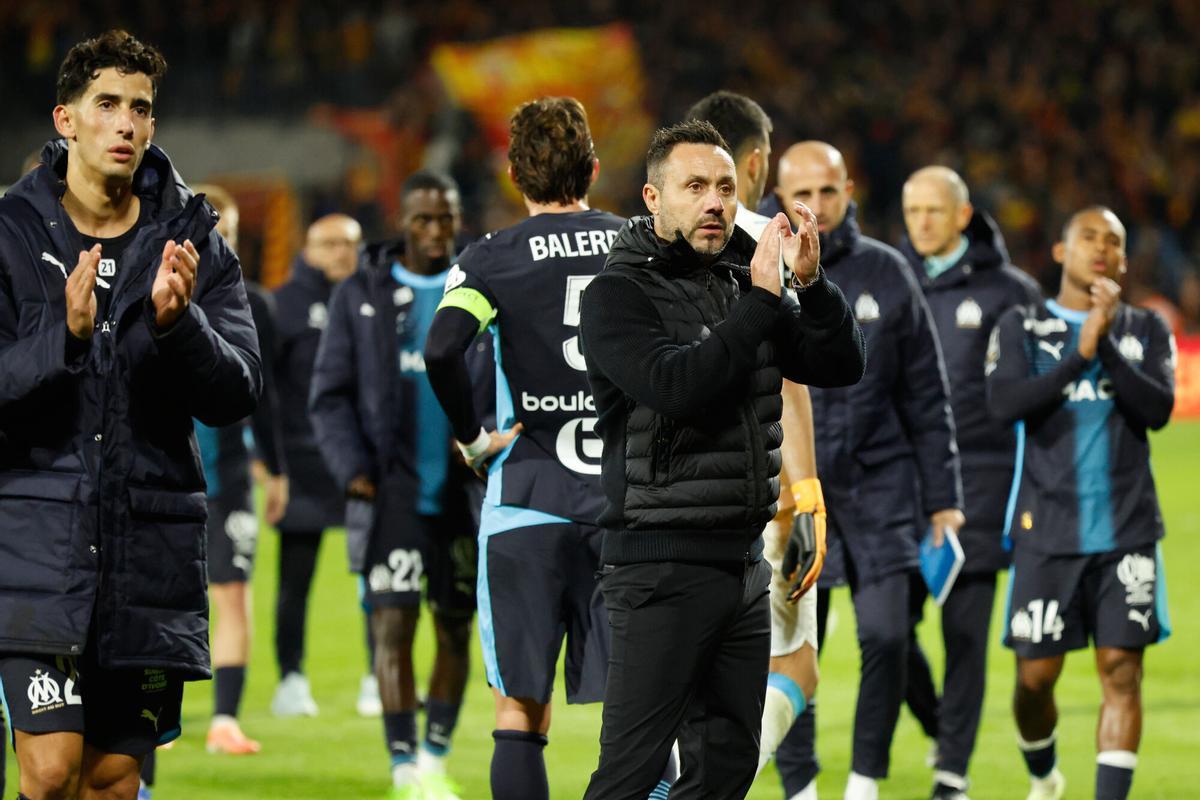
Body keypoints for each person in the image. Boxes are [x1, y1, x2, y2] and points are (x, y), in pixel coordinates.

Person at [0, 29, 261, 800]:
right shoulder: (10, 234)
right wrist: (66, 338)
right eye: (107, 104)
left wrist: (183, 327)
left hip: (149, 552)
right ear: (66, 119)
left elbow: (239, 389)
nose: (125, 123)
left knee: (113, 783)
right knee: (50, 772)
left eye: (140, 108)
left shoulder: (194, 237)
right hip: (38, 549)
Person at [579, 120, 864, 799]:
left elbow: (840, 364)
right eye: (695, 186)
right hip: (659, 567)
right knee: (630, 776)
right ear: (653, 198)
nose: (715, 201)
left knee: (725, 772)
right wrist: (764, 300)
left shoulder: (743, 279)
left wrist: (812, 286)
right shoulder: (617, 294)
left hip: (741, 565)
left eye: (726, 187)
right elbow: (677, 387)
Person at [423, 96, 629, 800]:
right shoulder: (638, 245)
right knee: (642, 715)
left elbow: (441, 349)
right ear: (593, 169)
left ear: (513, 176)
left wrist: (472, 439)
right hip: (627, 509)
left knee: (518, 713)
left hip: (526, 504)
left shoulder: (491, 259)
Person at [768, 141, 963, 800]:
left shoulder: (887, 270)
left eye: (828, 191)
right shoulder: (757, 265)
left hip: (880, 487)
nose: (816, 205)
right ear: (780, 194)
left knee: (886, 635)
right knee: (794, 650)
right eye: (803, 194)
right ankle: (800, 786)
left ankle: (863, 781)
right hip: (795, 491)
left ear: (848, 190)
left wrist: (943, 498)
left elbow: (927, 395)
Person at [987, 206, 1174, 800]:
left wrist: (1105, 344)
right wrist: (1078, 355)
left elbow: (1158, 410)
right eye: (1088, 237)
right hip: (1047, 530)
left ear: (1123, 261)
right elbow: (1005, 404)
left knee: (1122, 672)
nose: (1100, 248)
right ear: (1061, 252)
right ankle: (1044, 773)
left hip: (1127, 531)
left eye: (1113, 241)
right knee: (1035, 679)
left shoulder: (1146, 328)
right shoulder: (1021, 324)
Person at [310, 171, 476, 799]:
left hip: (461, 493)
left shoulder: (477, 285)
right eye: (422, 218)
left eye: (445, 217)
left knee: (454, 629)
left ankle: (435, 754)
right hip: (392, 491)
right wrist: (352, 468)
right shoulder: (362, 292)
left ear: (457, 219)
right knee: (392, 625)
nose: (434, 230)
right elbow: (329, 393)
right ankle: (403, 762)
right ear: (402, 221)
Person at [683, 91, 825, 781]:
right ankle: (705, 786)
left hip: (666, 498)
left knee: (682, 676)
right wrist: (806, 496)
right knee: (795, 665)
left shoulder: (651, 238)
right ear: (758, 161)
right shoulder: (767, 239)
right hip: (756, 487)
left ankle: (674, 782)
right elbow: (789, 382)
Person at [898, 166, 1043, 800]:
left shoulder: (1011, 292)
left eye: (934, 210)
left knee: (964, 635)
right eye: (912, 211)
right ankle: (938, 725)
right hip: (901, 485)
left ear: (962, 215)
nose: (922, 222)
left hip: (981, 486)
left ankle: (951, 773)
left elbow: (1037, 398)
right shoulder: (891, 279)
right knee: (888, 631)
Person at [187, 183, 288, 755]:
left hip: (229, 478)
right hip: (166, 475)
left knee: (232, 592)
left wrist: (276, 469)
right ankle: (157, 714)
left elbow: (263, 396)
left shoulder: (252, 304)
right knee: (163, 596)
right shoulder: (152, 290)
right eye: (210, 229)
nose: (218, 239)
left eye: (226, 230)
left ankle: (224, 719)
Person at [270, 213, 370, 719]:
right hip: (303, 463)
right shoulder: (283, 305)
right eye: (329, 243)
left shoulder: (374, 300)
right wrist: (271, 466)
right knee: (296, 580)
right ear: (307, 248)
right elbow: (266, 391)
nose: (340, 252)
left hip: (361, 462)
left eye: (349, 243)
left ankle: (378, 677)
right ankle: (290, 679)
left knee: (377, 577)